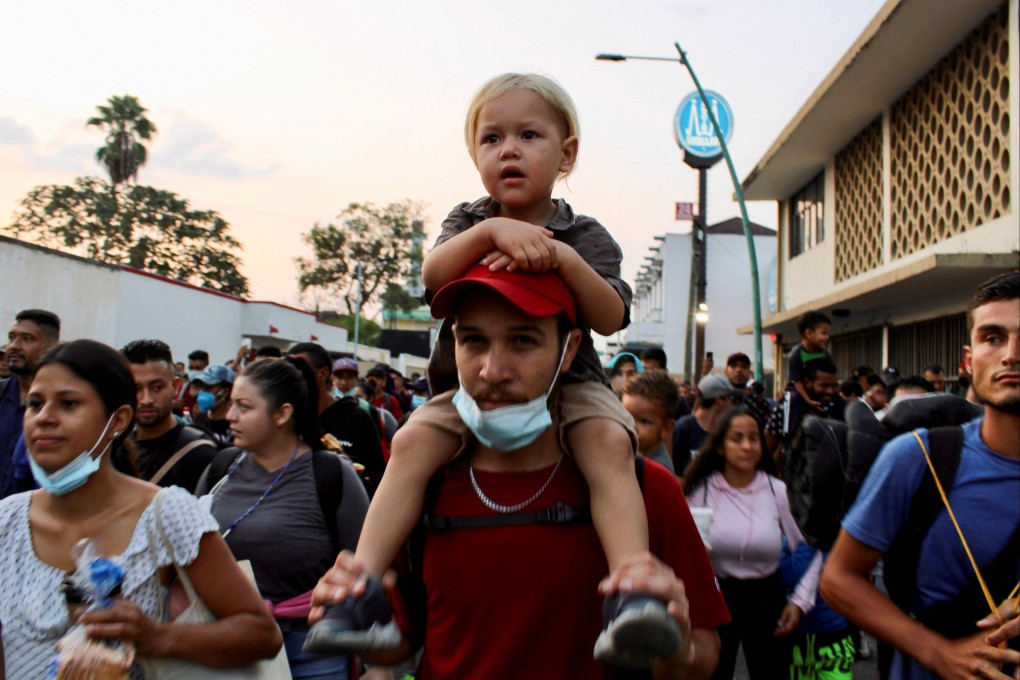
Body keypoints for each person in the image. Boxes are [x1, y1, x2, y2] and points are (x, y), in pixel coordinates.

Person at [314, 72, 676, 664]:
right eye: (491, 138)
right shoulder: (467, 221)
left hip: (571, 386)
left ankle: (633, 589)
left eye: (529, 134)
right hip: (465, 392)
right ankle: (358, 590)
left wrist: (557, 256)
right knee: (408, 446)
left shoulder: (583, 235)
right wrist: (491, 231)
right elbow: (434, 276)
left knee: (610, 443)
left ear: (568, 153)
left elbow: (611, 316)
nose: (508, 149)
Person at [307, 267, 730, 677]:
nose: (492, 370)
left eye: (523, 340)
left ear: (568, 350)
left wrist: (675, 642)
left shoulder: (644, 489)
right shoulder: (418, 488)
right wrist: (352, 607)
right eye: (474, 340)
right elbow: (405, 640)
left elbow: (703, 657)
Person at [0, 339, 281, 677]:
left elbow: (262, 634)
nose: (44, 418)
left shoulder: (166, 514)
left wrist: (156, 637)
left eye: (68, 403)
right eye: (35, 404)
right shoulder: (7, 520)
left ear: (118, 421)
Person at [821, 271, 1020, 680]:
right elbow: (839, 579)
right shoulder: (919, 458)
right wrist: (939, 653)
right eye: (993, 338)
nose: (1011, 355)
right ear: (968, 360)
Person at [196, 356, 370, 679]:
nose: (230, 415)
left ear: (282, 414)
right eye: (231, 404)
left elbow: (364, 568)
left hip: (311, 650)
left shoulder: (331, 475)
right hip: (227, 643)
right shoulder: (220, 469)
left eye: (244, 407)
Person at [682, 406, 820, 680]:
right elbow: (683, 550)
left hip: (768, 599)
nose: (747, 446)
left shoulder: (777, 490)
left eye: (753, 438)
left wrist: (799, 602)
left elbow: (810, 551)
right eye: (736, 438)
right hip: (717, 598)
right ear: (720, 447)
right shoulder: (703, 491)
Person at [118, 339, 219, 493]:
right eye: (136, 388)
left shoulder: (200, 453)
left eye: (157, 388)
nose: (146, 400)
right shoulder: (116, 450)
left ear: (175, 386)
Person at [288, 343, 386, 496]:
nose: (291, 376)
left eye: (300, 370)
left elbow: (377, 476)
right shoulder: (287, 417)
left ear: (323, 374)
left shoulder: (358, 416)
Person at [2, 309, 60, 500]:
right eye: (12, 338)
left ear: (50, 346)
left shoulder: (60, 409)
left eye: (27, 339)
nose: (14, 346)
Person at [671, 374, 735, 475]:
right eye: (731, 397)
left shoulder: (725, 431)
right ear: (719, 400)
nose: (733, 402)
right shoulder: (683, 428)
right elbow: (670, 470)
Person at [622, 370, 679, 474]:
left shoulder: (659, 469)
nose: (631, 426)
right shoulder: (630, 453)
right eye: (626, 418)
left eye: (644, 421)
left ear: (667, 428)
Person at [787, 311, 834, 411]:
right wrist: (807, 400)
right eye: (824, 333)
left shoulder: (825, 353)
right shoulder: (796, 354)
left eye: (828, 333)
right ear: (809, 333)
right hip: (799, 390)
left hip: (819, 389)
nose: (827, 337)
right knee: (794, 399)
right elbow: (797, 381)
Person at [189, 364, 235, 444]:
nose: (202, 392)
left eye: (207, 387)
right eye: (201, 387)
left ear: (225, 392)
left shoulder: (235, 423)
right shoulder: (199, 419)